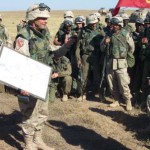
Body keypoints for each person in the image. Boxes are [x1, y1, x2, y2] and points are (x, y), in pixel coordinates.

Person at [14, 3, 74, 150]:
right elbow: (19, 63)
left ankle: (38, 140)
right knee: (29, 114)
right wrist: (24, 85)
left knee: (42, 113)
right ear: (33, 18)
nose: (45, 21)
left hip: (43, 81)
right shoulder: (24, 36)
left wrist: (66, 47)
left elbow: (52, 54)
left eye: (46, 18)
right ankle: (29, 144)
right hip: (29, 82)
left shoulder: (44, 34)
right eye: (42, 18)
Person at [101, 16, 135, 111]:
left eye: (116, 24)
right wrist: (105, 42)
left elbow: (132, 47)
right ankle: (116, 100)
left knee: (123, 83)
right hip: (110, 62)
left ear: (120, 25)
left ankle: (128, 100)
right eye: (113, 24)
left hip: (121, 62)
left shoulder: (125, 34)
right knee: (112, 83)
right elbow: (102, 48)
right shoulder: (108, 34)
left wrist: (126, 56)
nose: (114, 26)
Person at [75, 14, 104, 101]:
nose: (94, 24)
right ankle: (83, 94)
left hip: (96, 56)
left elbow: (104, 44)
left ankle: (100, 94)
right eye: (92, 23)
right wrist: (78, 58)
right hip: (85, 56)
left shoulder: (100, 31)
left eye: (95, 23)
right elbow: (77, 47)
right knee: (83, 75)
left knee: (97, 76)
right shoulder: (82, 32)